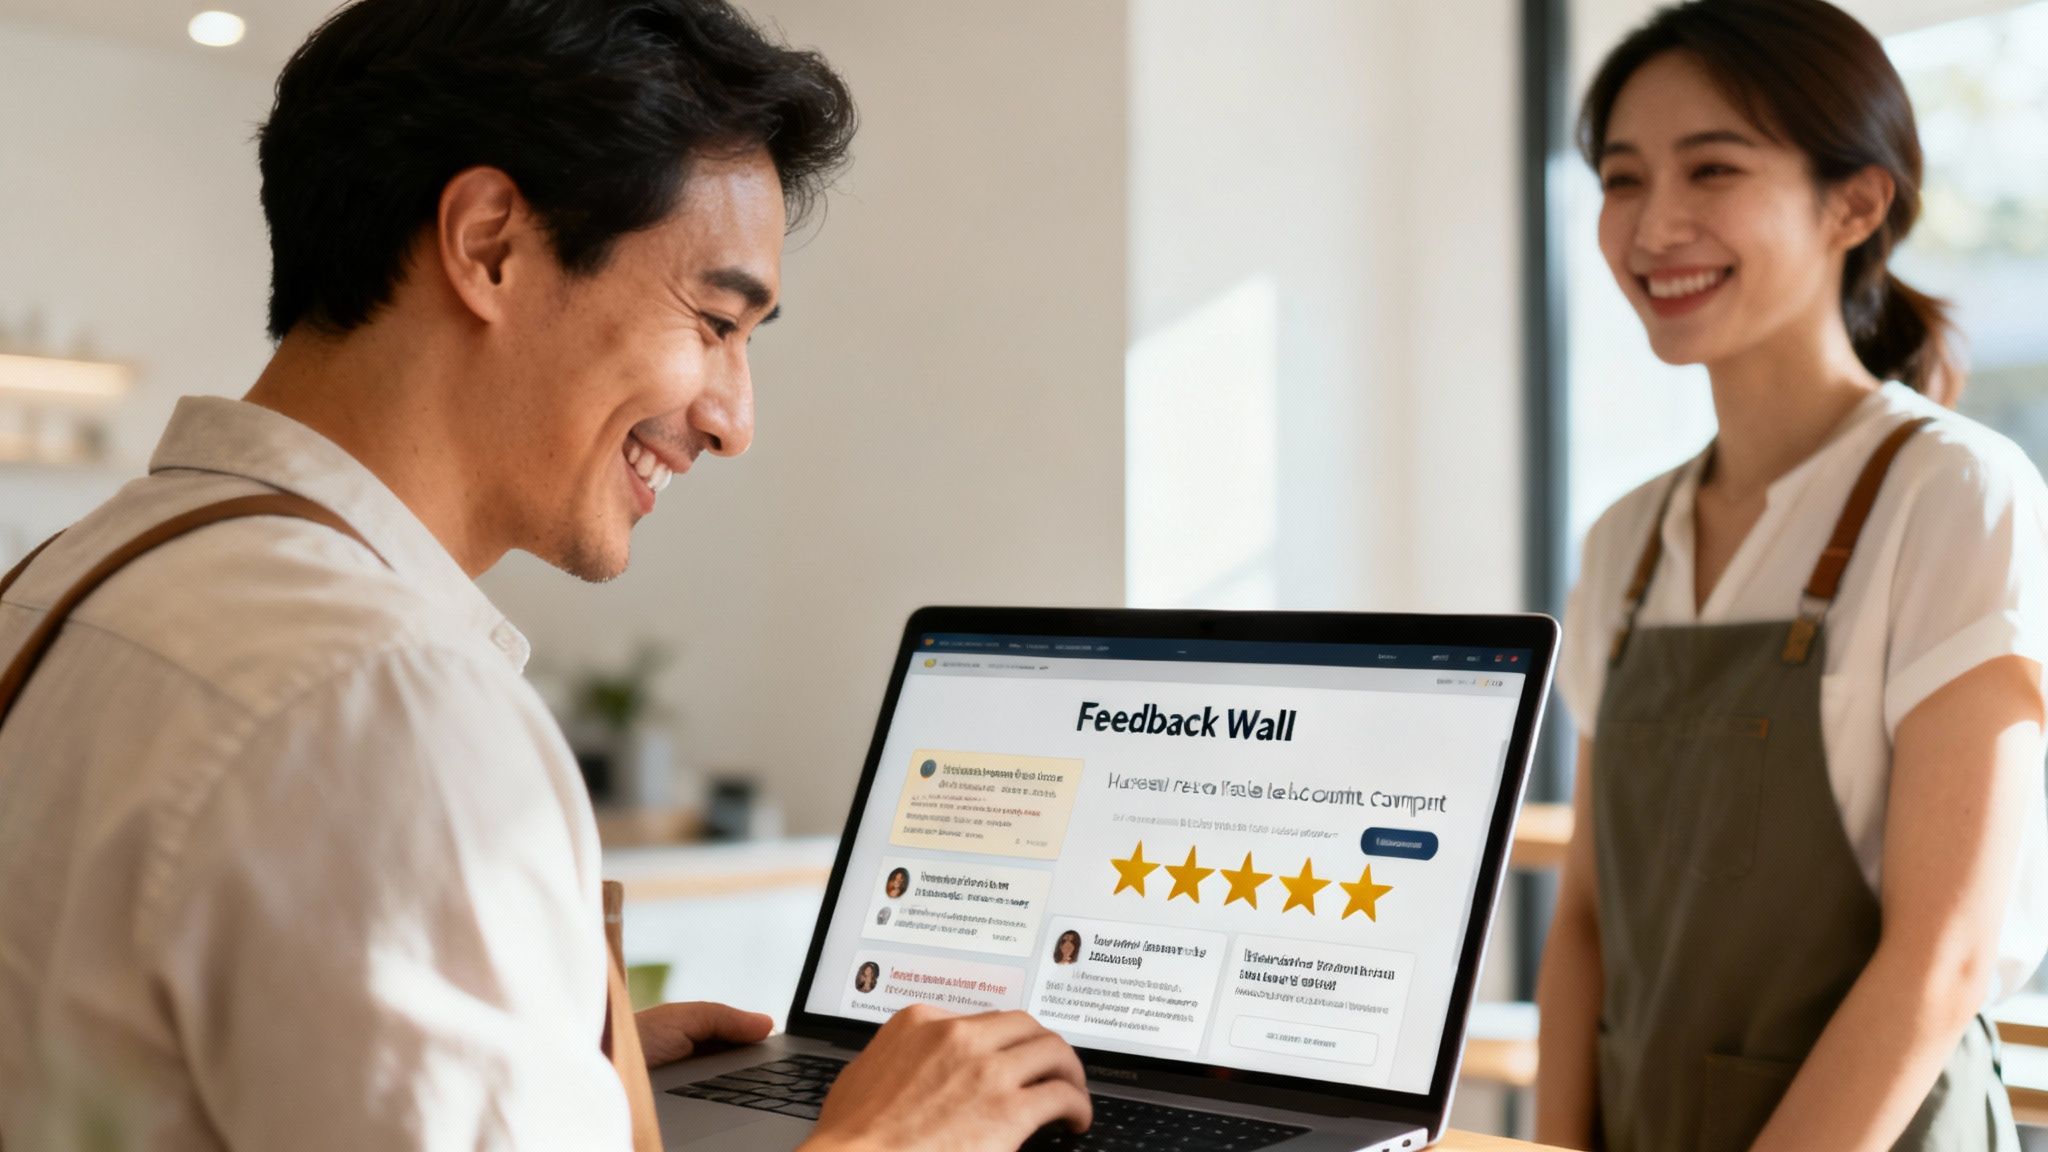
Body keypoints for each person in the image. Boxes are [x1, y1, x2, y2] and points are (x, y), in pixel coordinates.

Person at [0, 1, 1093, 1149]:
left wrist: (548, 1057)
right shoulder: (380, 700)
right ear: (490, 246)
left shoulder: (61, 586)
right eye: (716, 320)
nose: (732, 420)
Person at [1534, 3, 2048, 1150]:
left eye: (1710, 168)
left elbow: (1943, 954)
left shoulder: (1954, 497)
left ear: (1854, 203)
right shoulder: (1624, 539)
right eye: (1621, 179)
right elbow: (1583, 919)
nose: (1652, 224)